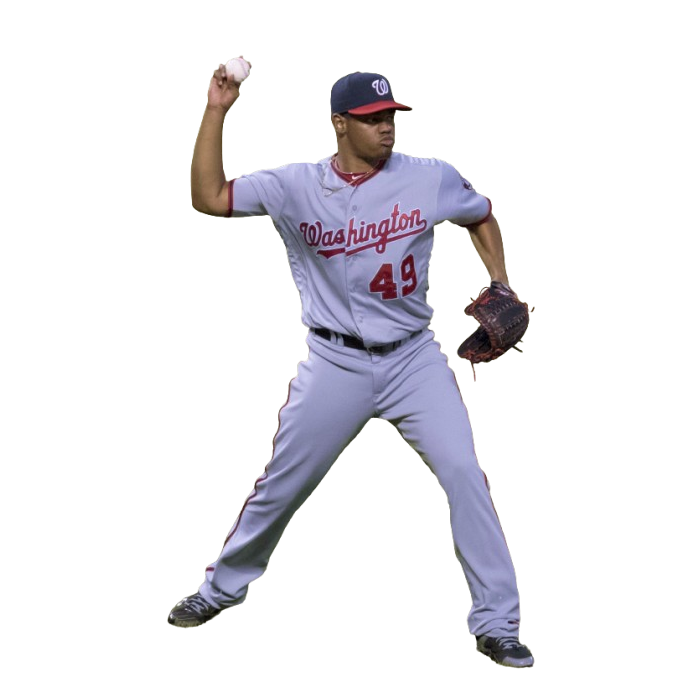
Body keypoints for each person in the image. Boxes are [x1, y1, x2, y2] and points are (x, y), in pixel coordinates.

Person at [171, 66, 534, 669]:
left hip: (414, 360)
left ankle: (498, 625)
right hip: (334, 361)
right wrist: (216, 112)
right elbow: (208, 199)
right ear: (339, 124)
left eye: (391, 116)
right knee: (282, 484)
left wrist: (500, 281)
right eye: (371, 119)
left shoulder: (429, 176)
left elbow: (480, 214)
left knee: (465, 476)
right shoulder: (294, 186)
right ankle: (219, 590)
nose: (386, 127)